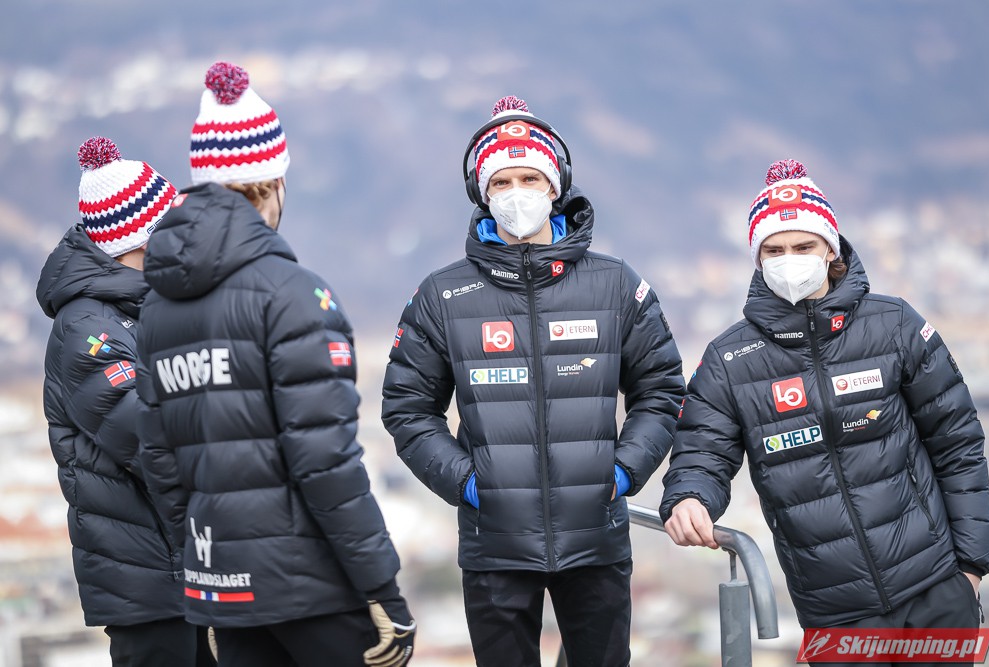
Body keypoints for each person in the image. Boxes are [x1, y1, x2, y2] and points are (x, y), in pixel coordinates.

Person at [382, 95, 685, 667]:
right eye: (501, 182)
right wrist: (468, 483)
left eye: (529, 178)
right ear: (482, 193)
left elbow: (662, 390)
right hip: (494, 546)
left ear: (554, 186)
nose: (516, 192)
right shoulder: (443, 295)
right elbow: (407, 408)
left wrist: (623, 471)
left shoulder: (616, 284)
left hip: (595, 541)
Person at [134, 61, 414, 667]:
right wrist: (381, 586)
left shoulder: (157, 307)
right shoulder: (293, 295)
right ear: (272, 184)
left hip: (223, 586)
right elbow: (325, 460)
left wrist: (204, 582)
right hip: (311, 589)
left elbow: (161, 461)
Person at [660, 159, 989, 662]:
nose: (789, 260)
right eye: (774, 250)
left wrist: (970, 568)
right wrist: (689, 497)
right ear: (757, 259)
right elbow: (701, 451)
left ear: (830, 250)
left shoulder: (894, 324)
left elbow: (958, 444)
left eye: (803, 247)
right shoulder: (730, 360)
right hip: (834, 611)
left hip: (934, 588)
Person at [37, 137, 215, 666]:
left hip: (179, 564)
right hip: (148, 578)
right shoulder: (87, 328)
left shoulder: (140, 310)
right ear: (143, 240)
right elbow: (153, 439)